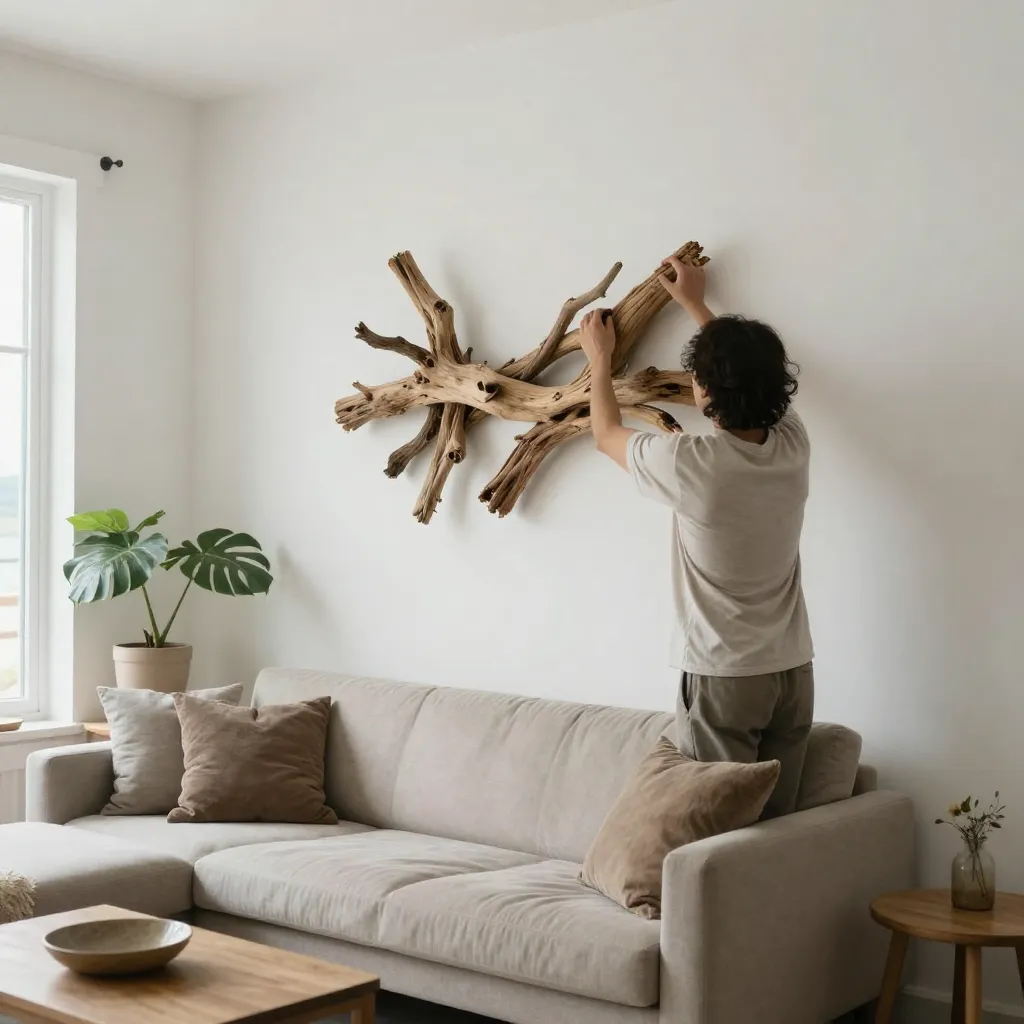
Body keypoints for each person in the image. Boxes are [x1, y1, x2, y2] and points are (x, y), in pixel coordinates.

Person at [578, 255, 813, 818]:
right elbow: (747, 377)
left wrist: (600, 360)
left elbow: (606, 433)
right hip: (792, 673)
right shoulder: (792, 445)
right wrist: (694, 305)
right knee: (779, 832)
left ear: (705, 390)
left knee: (722, 829)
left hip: (724, 676)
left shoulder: (692, 463)